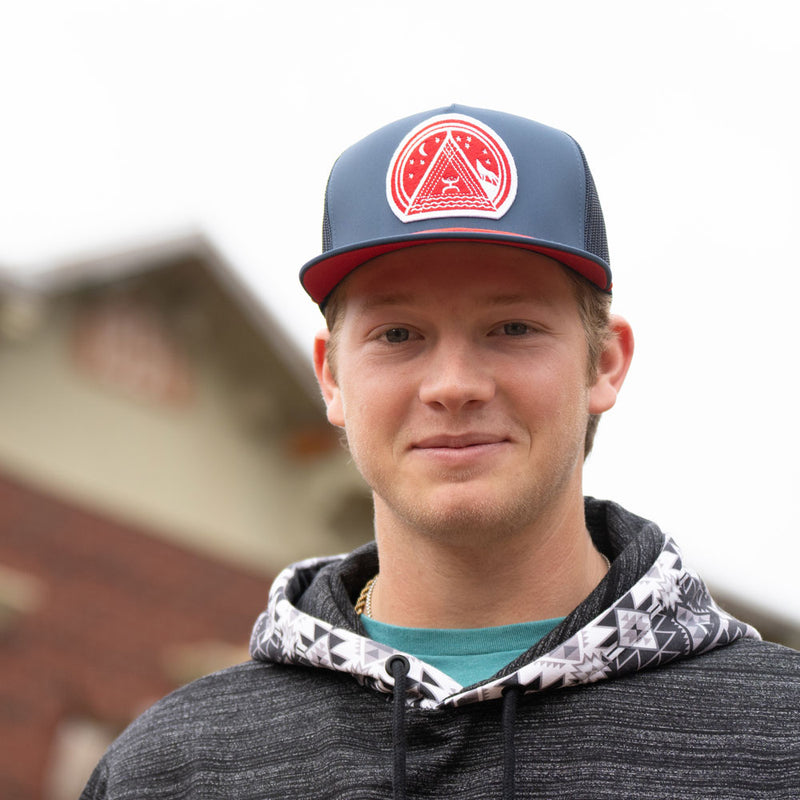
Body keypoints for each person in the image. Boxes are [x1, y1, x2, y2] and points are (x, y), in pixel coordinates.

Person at [81, 105, 799, 799]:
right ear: (331, 376)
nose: (453, 386)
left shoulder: (780, 742)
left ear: (605, 363)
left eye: (512, 327)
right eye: (398, 335)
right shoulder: (172, 770)